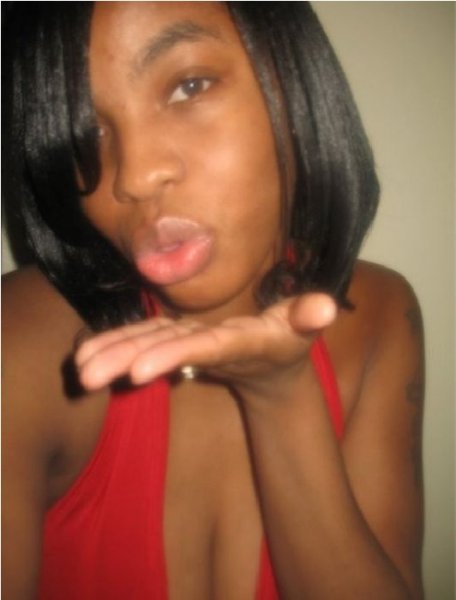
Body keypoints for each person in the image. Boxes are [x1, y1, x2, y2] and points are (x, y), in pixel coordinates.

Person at [2, 2, 425, 599]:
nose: (134, 176)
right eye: (86, 132)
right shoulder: (22, 343)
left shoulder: (380, 313)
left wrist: (281, 394)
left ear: (292, 79)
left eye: (189, 86)